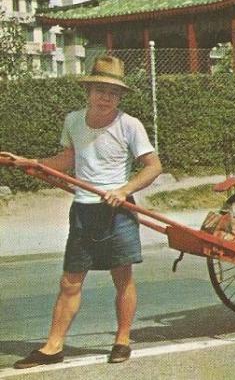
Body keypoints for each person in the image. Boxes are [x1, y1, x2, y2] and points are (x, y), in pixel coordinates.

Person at [13, 56, 162, 369]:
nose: (106, 97)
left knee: (122, 277)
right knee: (70, 282)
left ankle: (122, 339)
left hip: (118, 212)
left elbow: (153, 166)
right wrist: (30, 163)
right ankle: (53, 346)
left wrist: (124, 190)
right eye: (100, 90)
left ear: (119, 96)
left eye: (113, 92)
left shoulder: (129, 124)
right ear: (89, 91)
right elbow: (65, 161)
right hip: (84, 209)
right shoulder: (73, 121)